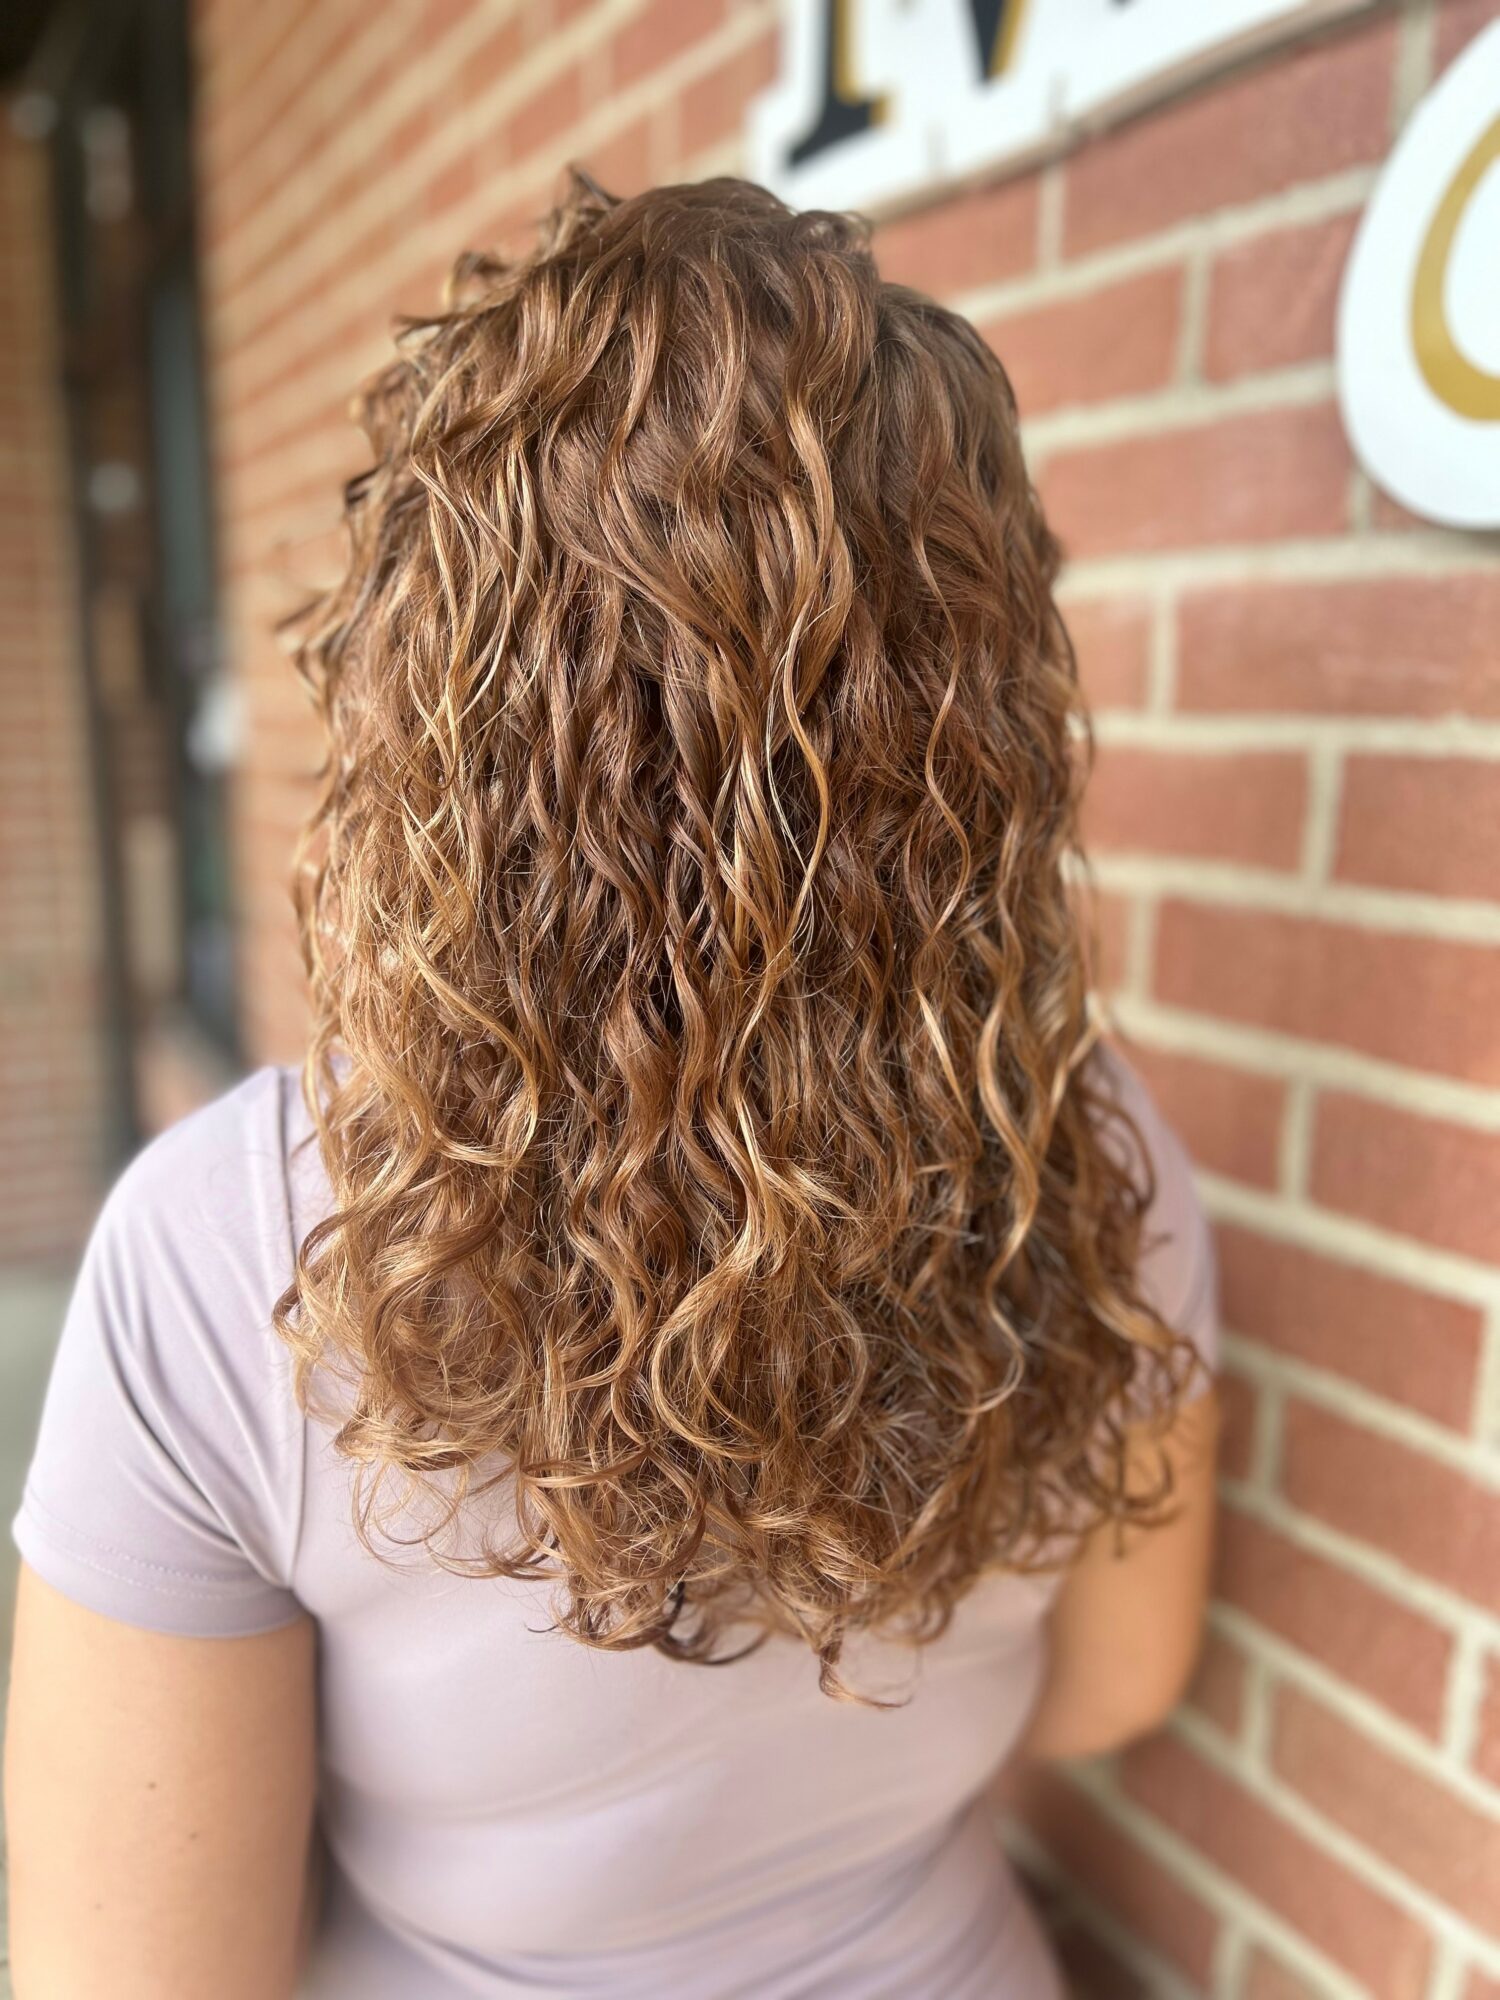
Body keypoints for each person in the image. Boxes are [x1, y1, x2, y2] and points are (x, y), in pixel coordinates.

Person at [4, 172, 1220, 1999]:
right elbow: (1118, 1686)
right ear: (974, 719)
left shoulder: (233, 1250)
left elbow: (138, 1973)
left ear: (437, 695)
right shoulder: (1092, 1156)